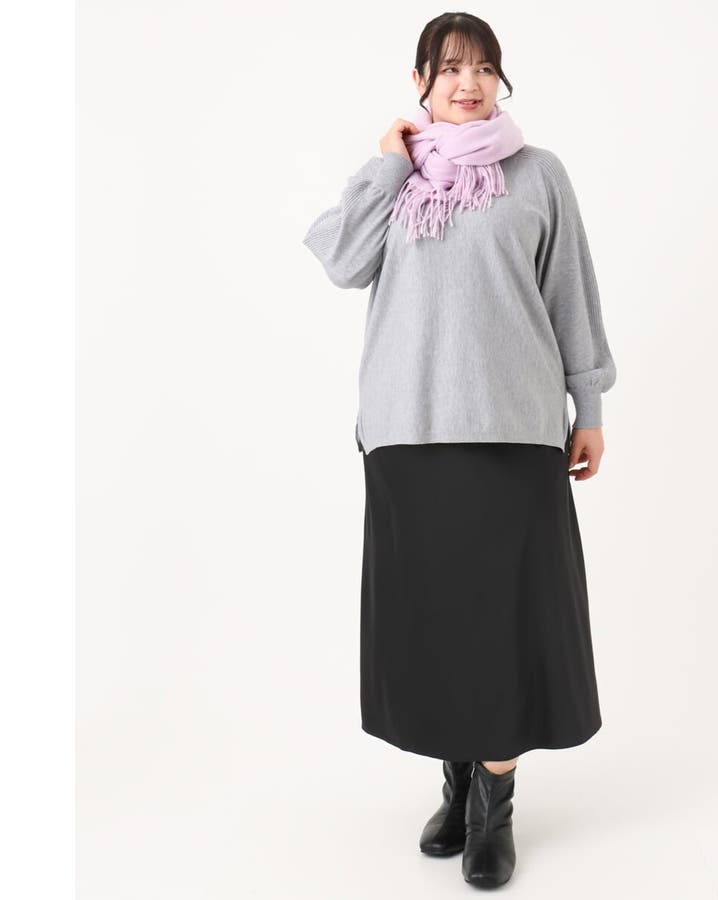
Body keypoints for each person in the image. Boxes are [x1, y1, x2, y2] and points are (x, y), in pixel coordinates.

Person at [302, 12, 616, 889]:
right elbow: (339, 259)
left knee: (506, 624)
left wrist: (589, 404)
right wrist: (387, 164)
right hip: (408, 430)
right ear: (420, 84)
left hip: (513, 431)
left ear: (500, 81)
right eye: (449, 69)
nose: (467, 83)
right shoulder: (397, 180)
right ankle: (457, 782)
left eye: (482, 68)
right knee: (434, 624)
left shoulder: (538, 174)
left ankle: (494, 808)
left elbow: (571, 295)